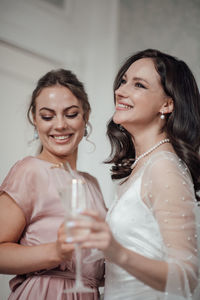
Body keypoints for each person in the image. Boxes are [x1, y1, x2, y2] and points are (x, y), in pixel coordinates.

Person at [67, 49, 200, 299]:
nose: (120, 90)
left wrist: (116, 251)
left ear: (167, 104)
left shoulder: (164, 168)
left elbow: (188, 276)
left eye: (138, 84)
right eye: (124, 81)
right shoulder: (143, 166)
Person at [0, 69, 106, 300]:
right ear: (35, 118)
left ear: (85, 116)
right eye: (48, 116)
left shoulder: (92, 184)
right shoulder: (29, 170)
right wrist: (55, 252)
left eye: (71, 114)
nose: (59, 125)